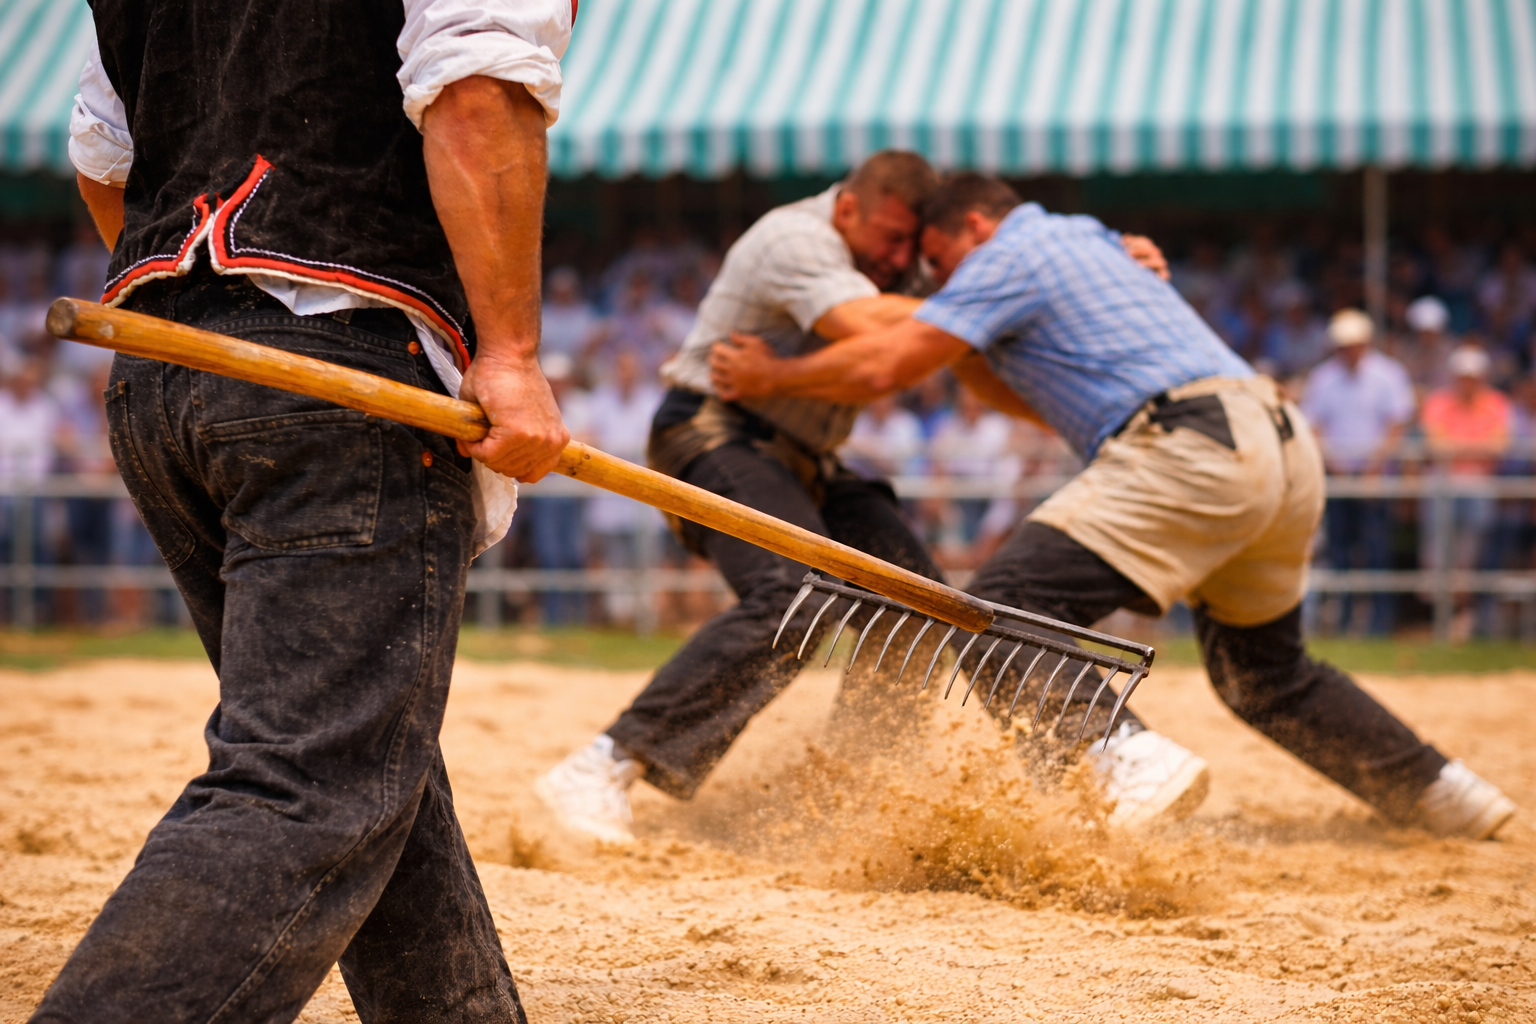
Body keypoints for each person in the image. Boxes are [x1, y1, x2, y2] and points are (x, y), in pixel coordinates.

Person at [711, 173, 1516, 840]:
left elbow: (887, 363)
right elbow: (1021, 389)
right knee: (1267, 674)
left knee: (1000, 607)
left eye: (938, 260)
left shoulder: (1006, 253)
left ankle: (1123, 759)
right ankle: (1441, 792)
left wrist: (772, 378)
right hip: (1280, 441)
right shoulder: (1087, 238)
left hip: (1193, 441)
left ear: (976, 226)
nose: (939, 281)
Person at [46, 3, 573, 1022]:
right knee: (309, 781)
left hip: (165, 372)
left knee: (359, 751)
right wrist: (509, 352)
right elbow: (475, 87)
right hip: (336, 372)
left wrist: (209, 316)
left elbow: (103, 160)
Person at [535, 152, 1185, 847]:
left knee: (924, 603)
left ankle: (854, 792)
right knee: (795, 595)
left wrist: (1104, 263)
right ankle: (606, 763)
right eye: (891, 238)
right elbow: (877, 327)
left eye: (911, 246)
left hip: (811, 457)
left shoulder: (898, 269)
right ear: (849, 209)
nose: (900, 259)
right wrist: (1009, 306)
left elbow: (966, 331)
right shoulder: (794, 239)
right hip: (713, 432)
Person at [1300, 309, 1417, 635]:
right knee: (1340, 551)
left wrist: (1374, 466)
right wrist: (1335, 465)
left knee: (1377, 548)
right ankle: (1345, 618)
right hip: (1338, 476)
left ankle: (1380, 621)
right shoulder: (1323, 378)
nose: (1348, 350)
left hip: (1375, 478)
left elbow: (1396, 425)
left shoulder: (1388, 374)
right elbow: (1314, 426)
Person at [1420, 345, 1512, 639]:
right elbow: (1435, 446)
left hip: (1478, 486)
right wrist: (1475, 448)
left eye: (1472, 377)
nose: (1467, 383)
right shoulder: (1438, 402)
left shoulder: (1496, 403)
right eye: (1462, 377)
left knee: (1471, 555)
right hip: (1443, 485)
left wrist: (1455, 449)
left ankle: (1464, 618)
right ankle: (1442, 618)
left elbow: (1499, 447)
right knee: (1437, 555)